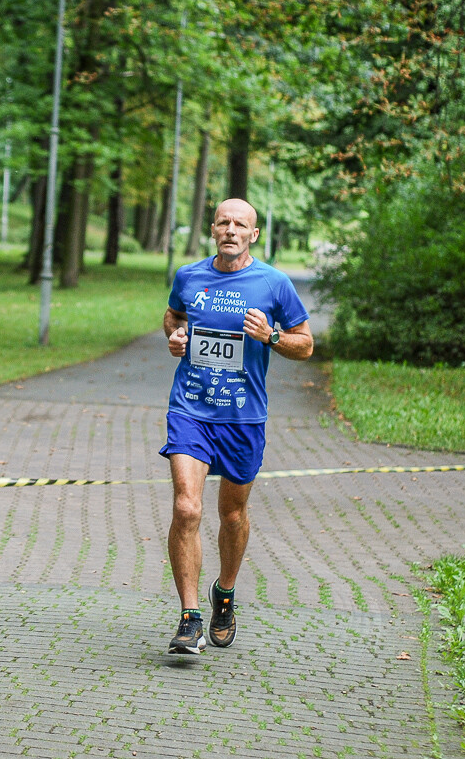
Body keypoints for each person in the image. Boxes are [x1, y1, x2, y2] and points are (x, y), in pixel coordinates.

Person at [161, 197, 313, 654]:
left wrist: (271, 335)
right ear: (213, 230)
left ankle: (224, 593)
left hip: (244, 416)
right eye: (223, 222)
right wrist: (174, 337)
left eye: (240, 224)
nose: (230, 229)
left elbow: (305, 345)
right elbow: (174, 317)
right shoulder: (189, 276)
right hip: (191, 408)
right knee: (188, 509)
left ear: (253, 235)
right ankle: (189, 617)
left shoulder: (274, 283)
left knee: (232, 514)